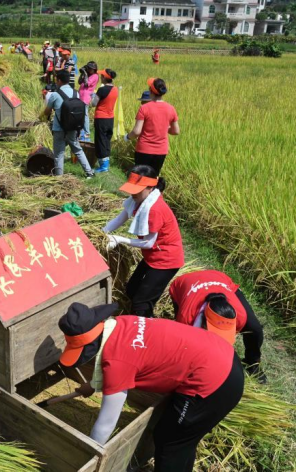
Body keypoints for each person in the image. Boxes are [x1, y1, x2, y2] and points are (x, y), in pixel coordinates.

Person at [58, 302, 244, 472]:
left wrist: (86, 459)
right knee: (182, 441)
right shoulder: (122, 323)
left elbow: (106, 424)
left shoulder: (118, 363)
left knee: (170, 442)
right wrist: (92, 385)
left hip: (216, 382)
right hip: (223, 356)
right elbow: (126, 353)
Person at [104, 165, 184, 317]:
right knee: (131, 290)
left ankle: (146, 331)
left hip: (166, 260)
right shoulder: (138, 200)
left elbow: (148, 243)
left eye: (136, 190)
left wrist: (119, 239)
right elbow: (120, 219)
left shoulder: (154, 209)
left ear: (150, 187)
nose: (132, 193)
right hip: (152, 256)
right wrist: (101, 233)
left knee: (141, 303)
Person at [169, 270, 266, 383]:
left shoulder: (240, 316)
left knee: (255, 329)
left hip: (219, 278)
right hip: (185, 282)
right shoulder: (186, 318)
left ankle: (253, 364)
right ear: (204, 322)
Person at [42, 71, 94, 179]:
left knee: (59, 154)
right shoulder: (76, 93)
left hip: (58, 129)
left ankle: (59, 178)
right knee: (78, 150)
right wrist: (86, 130)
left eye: (57, 80)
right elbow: (83, 112)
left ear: (59, 80)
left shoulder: (55, 95)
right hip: (73, 128)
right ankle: (89, 172)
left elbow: (47, 112)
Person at [125, 78, 179, 174]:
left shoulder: (144, 108)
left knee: (140, 179)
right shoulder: (171, 108)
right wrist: (164, 127)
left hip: (144, 149)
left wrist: (127, 137)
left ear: (151, 90)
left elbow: (136, 132)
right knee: (153, 178)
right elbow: (176, 131)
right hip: (161, 151)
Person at [91, 69, 119, 174]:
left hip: (101, 118)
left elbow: (93, 104)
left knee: (100, 140)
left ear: (104, 77)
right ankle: (106, 163)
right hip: (110, 118)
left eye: (101, 76)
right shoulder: (115, 89)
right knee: (107, 140)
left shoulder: (101, 90)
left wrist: (92, 97)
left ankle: (103, 167)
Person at [78, 61, 99, 142]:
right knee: (81, 114)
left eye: (91, 69)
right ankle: (82, 131)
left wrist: (85, 74)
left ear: (94, 69)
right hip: (80, 95)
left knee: (85, 114)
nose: (90, 70)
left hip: (86, 97)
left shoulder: (95, 76)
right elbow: (80, 82)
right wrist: (82, 73)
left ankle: (87, 132)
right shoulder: (88, 74)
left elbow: (86, 84)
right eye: (89, 68)